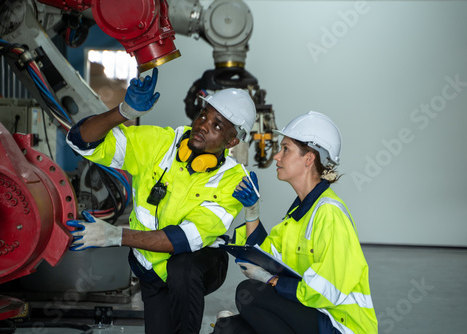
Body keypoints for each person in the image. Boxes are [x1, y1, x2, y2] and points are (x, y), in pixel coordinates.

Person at [65, 67, 257, 334]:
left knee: (183, 266)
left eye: (217, 125)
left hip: (199, 264)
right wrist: (124, 112)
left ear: (231, 140)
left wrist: (115, 235)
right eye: (204, 115)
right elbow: (81, 141)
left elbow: (182, 240)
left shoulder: (233, 180)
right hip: (149, 268)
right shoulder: (161, 143)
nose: (202, 125)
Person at [213, 111, 378, 334]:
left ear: (309, 158)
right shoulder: (297, 216)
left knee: (250, 293)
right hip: (312, 313)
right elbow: (267, 256)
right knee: (228, 329)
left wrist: (271, 281)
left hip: (339, 324)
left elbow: (328, 290)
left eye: (286, 149)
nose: (277, 157)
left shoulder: (329, 213)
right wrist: (252, 212)